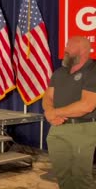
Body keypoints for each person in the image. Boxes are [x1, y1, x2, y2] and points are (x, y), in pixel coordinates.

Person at [42, 36, 96, 189]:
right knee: (62, 175)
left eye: (69, 47)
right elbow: (47, 96)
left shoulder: (93, 71)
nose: (65, 50)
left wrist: (54, 113)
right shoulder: (59, 72)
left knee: (81, 177)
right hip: (57, 128)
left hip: (82, 129)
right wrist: (50, 112)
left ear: (83, 50)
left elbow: (87, 106)